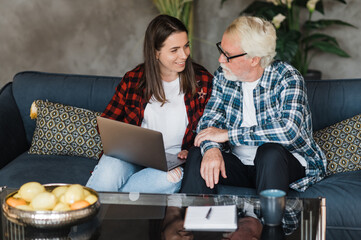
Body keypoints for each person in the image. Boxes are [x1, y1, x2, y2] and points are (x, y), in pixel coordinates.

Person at [180, 16, 327, 195]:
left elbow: (288, 131)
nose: (220, 59)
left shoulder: (287, 77)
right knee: (198, 153)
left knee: (269, 152)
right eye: (221, 49)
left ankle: (270, 223)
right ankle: (194, 220)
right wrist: (211, 149)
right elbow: (209, 123)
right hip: (240, 164)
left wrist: (228, 135)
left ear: (254, 59)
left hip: (283, 163)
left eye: (227, 55)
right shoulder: (223, 76)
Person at [86, 14, 213, 194]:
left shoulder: (203, 80)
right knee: (109, 172)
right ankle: (88, 216)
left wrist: (191, 150)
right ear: (155, 52)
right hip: (130, 156)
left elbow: (214, 124)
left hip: (173, 162)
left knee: (172, 179)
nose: (183, 55)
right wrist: (124, 142)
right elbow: (106, 123)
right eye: (174, 50)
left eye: (186, 46)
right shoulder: (133, 79)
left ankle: (105, 209)